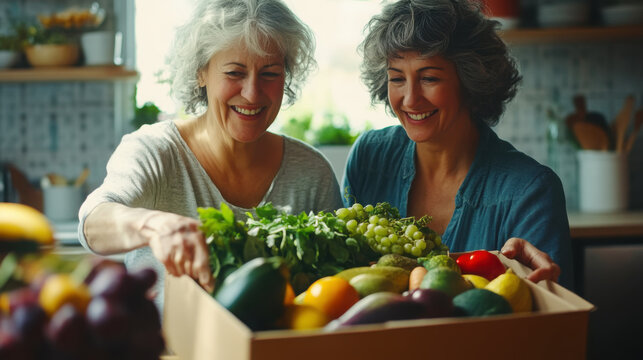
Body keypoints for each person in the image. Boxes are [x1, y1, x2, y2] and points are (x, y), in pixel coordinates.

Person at [78, 0, 342, 308]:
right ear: (201, 72)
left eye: (270, 74)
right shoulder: (155, 151)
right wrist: (154, 226)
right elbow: (93, 220)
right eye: (234, 73)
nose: (252, 93)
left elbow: (332, 293)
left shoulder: (311, 173)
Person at [344, 0, 572, 288]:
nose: (411, 99)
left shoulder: (530, 191)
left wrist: (520, 278)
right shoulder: (369, 157)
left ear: (470, 80)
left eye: (429, 78)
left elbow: (555, 322)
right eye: (397, 78)